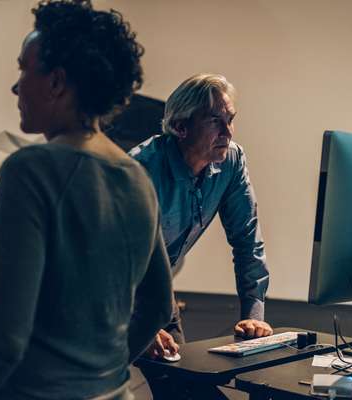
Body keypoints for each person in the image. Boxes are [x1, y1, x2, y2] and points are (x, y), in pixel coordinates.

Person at [0, 1, 173, 399]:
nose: (16, 86)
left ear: (56, 82)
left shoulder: (30, 170)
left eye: (24, 70)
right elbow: (158, 306)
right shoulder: (137, 178)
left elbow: (4, 337)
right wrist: (106, 375)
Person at [130, 73, 272, 398]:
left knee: (183, 386)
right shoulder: (139, 171)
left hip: (156, 287)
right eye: (215, 122)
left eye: (230, 120)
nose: (227, 132)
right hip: (102, 294)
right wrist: (139, 324)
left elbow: (247, 240)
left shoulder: (232, 161)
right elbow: (108, 262)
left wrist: (254, 316)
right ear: (181, 127)